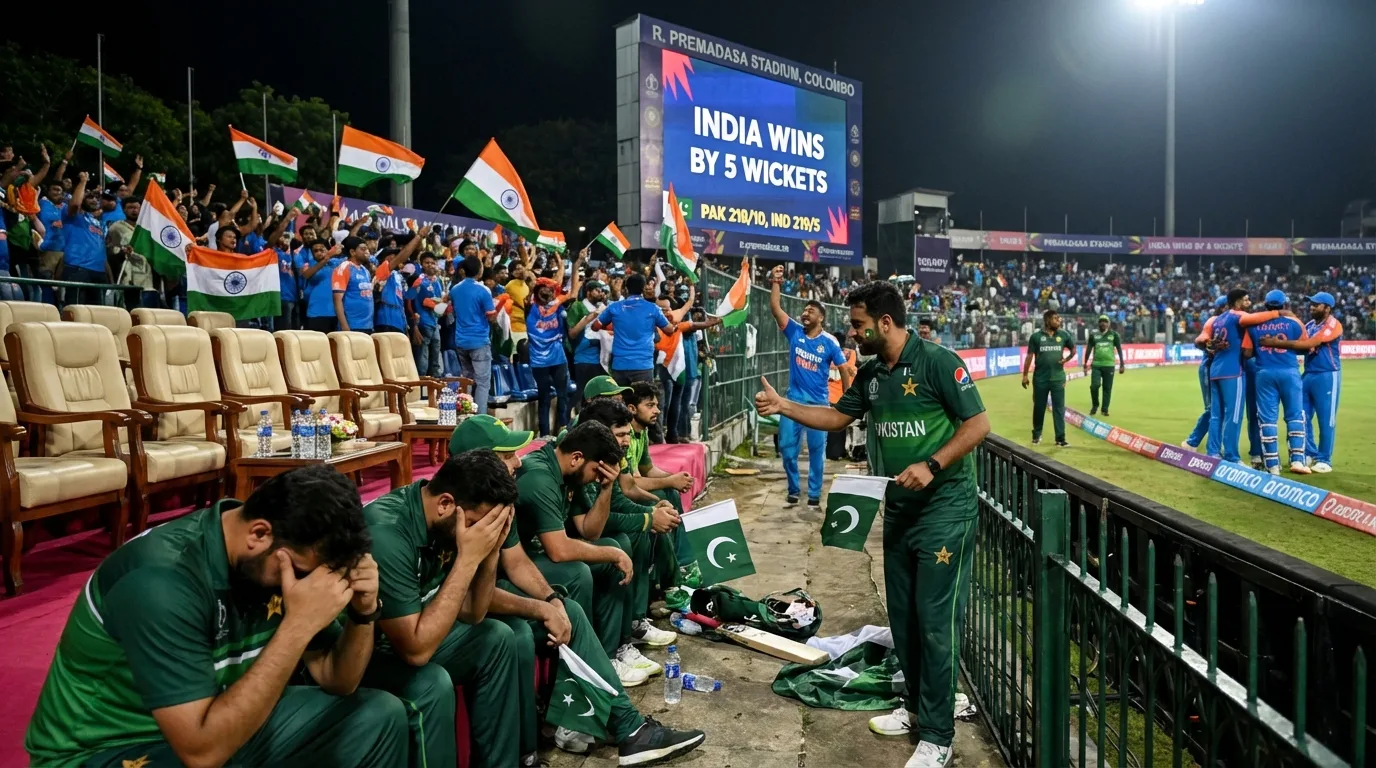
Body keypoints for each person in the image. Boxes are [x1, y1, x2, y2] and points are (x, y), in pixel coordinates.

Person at [25, 465, 407, 768]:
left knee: (376, 715)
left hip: (214, 717)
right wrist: (297, 626)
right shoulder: (161, 582)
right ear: (259, 534)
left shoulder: (273, 559)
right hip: (109, 748)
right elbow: (201, 753)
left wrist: (364, 613)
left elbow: (338, 680)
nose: (310, 585)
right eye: (304, 571)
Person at [753, 281, 989, 768]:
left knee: (935, 623)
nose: (852, 332)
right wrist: (784, 407)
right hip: (898, 512)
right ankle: (916, 709)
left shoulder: (939, 362)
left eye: (858, 324)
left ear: (884, 322)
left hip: (945, 512)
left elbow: (978, 425)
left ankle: (938, 737)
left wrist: (933, 464)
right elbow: (838, 417)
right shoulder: (873, 372)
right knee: (904, 619)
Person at [449, 416, 706, 766]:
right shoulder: (522, 484)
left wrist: (551, 601)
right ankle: (571, 723)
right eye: (508, 455)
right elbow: (474, 595)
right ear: (476, 462)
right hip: (449, 613)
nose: (518, 462)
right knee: (556, 595)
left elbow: (524, 558)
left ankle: (624, 720)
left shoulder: (496, 499)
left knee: (569, 603)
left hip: (486, 590)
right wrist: (543, 606)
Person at [361, 450, 523, 768]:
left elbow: (474, 612)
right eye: (477, 524)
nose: (480, 534)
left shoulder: (446, 519)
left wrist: (491, 551)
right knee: (430, 682)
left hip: (408, 630)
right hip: (358, 654)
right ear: (446, 504)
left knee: (497, 637)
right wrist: (468, 559)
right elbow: (415, 651)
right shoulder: (387, 532)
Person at [514, 421, 642, 660]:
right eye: (596, 471)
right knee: (579, 572)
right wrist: (614, 555)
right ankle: (583, 663)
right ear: (576, 458)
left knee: (612, 550)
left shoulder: (570, 472)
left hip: (534, 552)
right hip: (515, 561)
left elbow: (590, 531)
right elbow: (559, 550)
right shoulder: (539, 477)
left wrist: (606, 489)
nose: (597, 478)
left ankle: (610, 654)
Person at [586, 394, 688, 640]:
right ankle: (623, 635)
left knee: (655, 513)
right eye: (621, 435)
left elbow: (619, 498)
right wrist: (648, 519)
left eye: (627, 434)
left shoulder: (612, 452)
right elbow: (589, 524)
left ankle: (640, 615)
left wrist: (652, 511)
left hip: (588, 529)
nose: (626, 440)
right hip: (571, 539)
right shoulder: (582, 458)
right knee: (628, 538)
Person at [768, 264, 852, 506]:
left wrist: (847, 401)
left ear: (821, 317)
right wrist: (776, 283)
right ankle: (794, 489)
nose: (805, 313)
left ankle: (814, 495)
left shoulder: (830, 342)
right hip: (792, 402)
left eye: (811, 311)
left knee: (817, 452)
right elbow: (776, 309)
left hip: (819, 406)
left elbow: (844, 369)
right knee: (786, 448)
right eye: (805, 310)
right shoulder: (795, 332)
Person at [1258, 291, 1342, 473]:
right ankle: (1309, 453)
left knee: (1326, 419)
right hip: (1308, 373)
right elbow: (1300, 346)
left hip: (1328, 374)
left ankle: (1324, 459)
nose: (1312, 307)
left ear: (1327, 308)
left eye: (1316, 304)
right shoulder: (1310, 325)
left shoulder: (1333, 324)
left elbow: (1308, 344)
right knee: (1303, 416)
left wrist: (1274, 343)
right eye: (1311, 304)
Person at [1197, 289, 1279, 463]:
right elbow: (1255, 318)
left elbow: (1203, 340)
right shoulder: (1238, 316)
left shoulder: (1218, 320)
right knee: (1233, 415)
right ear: (1237, 302)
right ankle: (1231, 456)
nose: (1249, 303)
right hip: (1233, 371)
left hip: (1215, 371)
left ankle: (1212, 452)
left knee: (1216, 415)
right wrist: (1279, 313)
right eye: (1246, 300)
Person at [1245, 290, 1311, 475]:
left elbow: (1247, 353)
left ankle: (1272, 465)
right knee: (1295, 415)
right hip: (1290, 372)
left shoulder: (1254, 325)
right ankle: (1297, 460)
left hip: (1264, 373)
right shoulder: (1294, 323)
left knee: (1267, 419)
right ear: (1285, 305)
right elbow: (1305, 345)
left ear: (1266, 305)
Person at [528, 249, 589, 437]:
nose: (547, 291)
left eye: (549, 289)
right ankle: (549, 434)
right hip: (543, 361)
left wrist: (576, 263)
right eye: (543, 289)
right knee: (548, 397)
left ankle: (559, 432)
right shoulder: (530, 306)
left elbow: (573, 291)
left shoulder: (555, 306)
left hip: (553, 359)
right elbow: (529, 276)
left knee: (558, 397)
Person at [654, 291, 718, 444]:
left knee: (675, 402)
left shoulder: (678, 326)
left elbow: (697, 324)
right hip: (662, 369)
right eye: (659, 309)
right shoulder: (652, 326)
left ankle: (673, 433)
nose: (663, 312)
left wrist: (715, 321)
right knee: (663, 403)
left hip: (680, 370)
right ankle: (660, 434)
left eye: (666, 309)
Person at [595, 272, 670, 386]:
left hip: (620, 365)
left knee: (621, 397)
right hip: (643, 366)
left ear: (626, 289)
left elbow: (595, 326)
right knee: (643, 397)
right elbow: (669, 330)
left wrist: (611, 325)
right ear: (643, 288)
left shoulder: (614, 307)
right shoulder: (653, 309)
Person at [449, 254, 497, 413]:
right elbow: (491, 317)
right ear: (479, 270)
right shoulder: (484, 290)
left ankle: (465, 414)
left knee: (467, 380)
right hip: (479, 342)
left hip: (461, 341)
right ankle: (480, 418)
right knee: (482, 382)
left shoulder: (455, 289)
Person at [1021, 310, 1076, 447]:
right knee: (1039, 407)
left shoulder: (1064, 335)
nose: (1059, 320)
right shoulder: (1036, 337)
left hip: (1058, 378)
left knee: (1059, 409)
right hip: (1040, 378)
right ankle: (1036, 435)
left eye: (1059, 318)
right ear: (1047, 321)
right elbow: (1029, 356)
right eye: (1055, 318)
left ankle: (1060, 439)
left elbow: (1073, 349)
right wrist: (1025, 375)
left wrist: (1067, 359)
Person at [58, 171, 112, 305]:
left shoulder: (98, 222)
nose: (94, 200)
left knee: (97, 314)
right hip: (78, 268)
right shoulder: (72, 215)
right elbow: (75, 204)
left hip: (99, 272)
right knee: (76, 312)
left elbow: (102, 252)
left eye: (96, 198)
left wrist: (110, 278)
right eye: (89, 197)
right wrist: (83, 181)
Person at [1183, 297, 1228, 450]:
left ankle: (1215, 444)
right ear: (1221, 308)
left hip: (1221, 369)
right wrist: (1208, 346)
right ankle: (1191, 442)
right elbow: (1200, 341)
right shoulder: (1214, 321)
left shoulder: (1230, 321)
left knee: (1221, 409)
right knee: (1212, 408)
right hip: (1209, 367)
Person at [567, 279, 611, 411]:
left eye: (602, 291)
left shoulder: (603, 308)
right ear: (588, 292)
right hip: (583, 358)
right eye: (597, 290)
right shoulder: (578, 306)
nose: (601, 293)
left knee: (597, 396)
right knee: (580, 393)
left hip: (600, 359)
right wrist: (590, 317)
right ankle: (565, 420)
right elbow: (572, 333)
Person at [407, 252, 446, 377]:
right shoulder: (419, 280)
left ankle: (435, 381)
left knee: (435, 352)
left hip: (435, 322)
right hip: (423, 322)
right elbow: (409, 300)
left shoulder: (438, 281)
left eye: (433, 263)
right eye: (427, 262)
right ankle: (421, 381)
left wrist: (440, 304)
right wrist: (414, 321)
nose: (430, 265)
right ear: (421, 264)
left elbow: (440, 301)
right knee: (422, 355)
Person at [1082, 314, 1126, 417]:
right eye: (1101, 321)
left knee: (1107, 388)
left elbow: (1119, 349)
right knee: (1094, 386)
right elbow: (1089, 349)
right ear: (1098, 323)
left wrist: (1122, 364)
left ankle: (1104, 409)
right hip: (1096, 365)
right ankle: (1095, 405)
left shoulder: (1114, 335)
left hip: (1109, 365)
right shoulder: (1094, 335)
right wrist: (1085, 363)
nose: (1103, 323)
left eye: (1105, 321)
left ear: (1108, 324)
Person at [827, 337, 859, 460]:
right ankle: (839, 452)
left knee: (830, 427)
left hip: (829, 395)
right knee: (841, 426)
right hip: (843, 394)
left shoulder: (827, 354)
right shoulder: (851, 354)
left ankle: (832, 453)